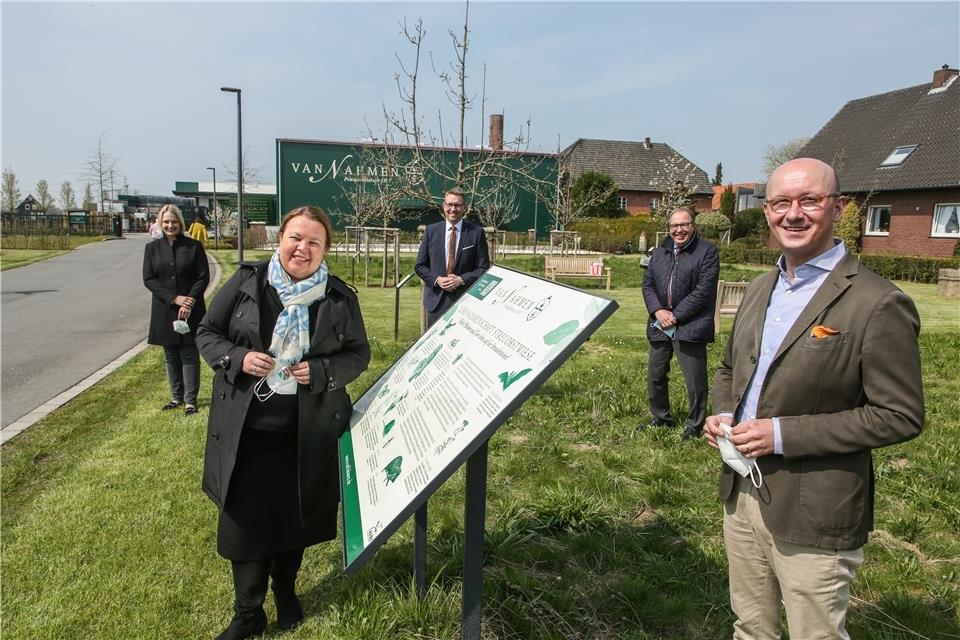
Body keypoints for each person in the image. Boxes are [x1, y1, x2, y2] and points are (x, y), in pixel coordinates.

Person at [703, 158, 924, 639]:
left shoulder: (877, 302)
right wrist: (723, 413)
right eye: (781, 202)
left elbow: (899, 415)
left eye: (810, 200)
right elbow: (728, 368)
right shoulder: (761, 287)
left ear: (839, 208)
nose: (793, 214)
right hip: (742, 491)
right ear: (767, 212)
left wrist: (780, 434)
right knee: (750, 626)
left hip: (816, 506)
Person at [196, 206, 370, 639]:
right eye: (296, 237)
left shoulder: (338, 297)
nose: (302, 248)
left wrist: (325, 372)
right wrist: (237, 358)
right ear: (280, 238)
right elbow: (206, 332)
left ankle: (286, 590)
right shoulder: (246, 283)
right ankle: (248, 614)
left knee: (295, 519)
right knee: (246, 524)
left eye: (314, 242)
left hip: (306, 431)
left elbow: (358, 353)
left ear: (326, 248)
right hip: (248, 431)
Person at [640, 207, 719, 440]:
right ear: (669, 228)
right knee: (656, 374)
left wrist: (675, 315)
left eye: (684, 224)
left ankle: (695, 425)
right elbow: (648, 285)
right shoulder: (659, 252)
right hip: (660, 323)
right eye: (674, 226)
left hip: (691, 324)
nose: (679, 230)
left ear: (693, 225)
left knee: (694, 380)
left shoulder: (707, 252)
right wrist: (658, 311)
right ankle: (661, 418)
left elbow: (704, 290)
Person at [143, 203, 209, 415]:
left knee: (189, 354)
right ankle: (176, 397)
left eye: (174, 221)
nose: (170, 225)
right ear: (160, 224)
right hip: (166, 309)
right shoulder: (152, 249)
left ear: (180, 223)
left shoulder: (194, 247)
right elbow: (149, 279)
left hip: (191, 309)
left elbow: (202, 277)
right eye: (166, 222)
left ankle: (190, 400)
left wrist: (188, 300)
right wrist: (174, 298)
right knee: (171, 355)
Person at [415, 187, 490, 326]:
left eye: (457, 205)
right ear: (444, 206)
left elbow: (483, 268)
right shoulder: (431, 231)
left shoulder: (476, 232)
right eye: (449, 204)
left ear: (464, 208)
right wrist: (437, 280)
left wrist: (461, 280)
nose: (453, 209)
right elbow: (420, 266)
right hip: (436, 302)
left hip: (465, 302)